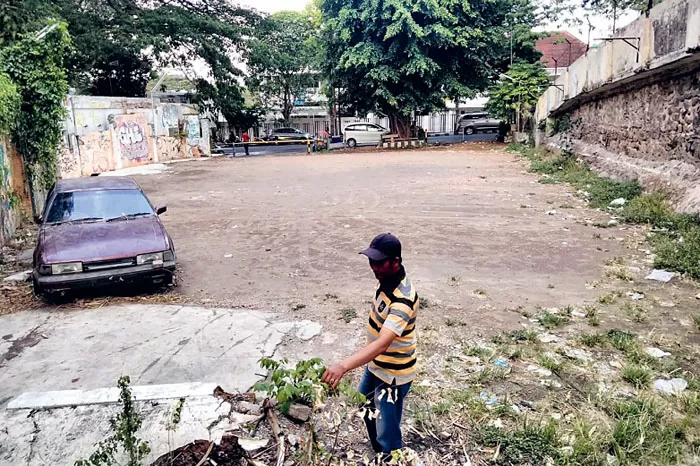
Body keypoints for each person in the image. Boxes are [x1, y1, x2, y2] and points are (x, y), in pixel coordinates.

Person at [322, 233, 419, 462]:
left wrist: (343, 367)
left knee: (387, 424)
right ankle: (377, 448)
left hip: (393, 374)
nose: (373, 267)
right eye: (371, 261)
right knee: (364, 404)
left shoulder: (403, 299)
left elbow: (383, 343)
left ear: (395, 262)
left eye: (379, 262)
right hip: (376, 366)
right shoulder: (385, 280)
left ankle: (390, 455)